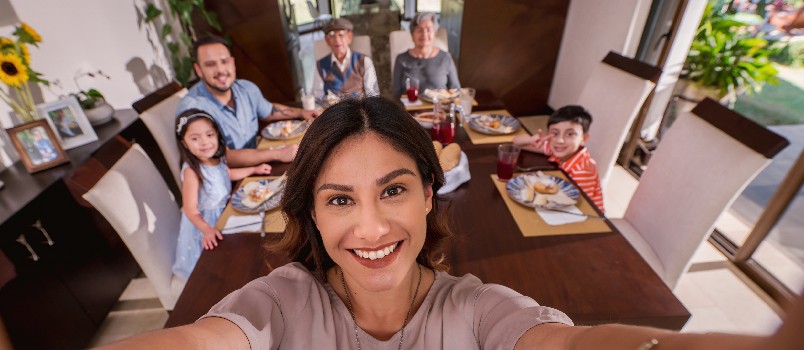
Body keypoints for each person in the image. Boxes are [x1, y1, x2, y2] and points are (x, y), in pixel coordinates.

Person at [99, 97, 804, 349]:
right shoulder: (272, 305)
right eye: (339, 198)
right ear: (310, 212)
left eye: (395, 190)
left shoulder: (477, 310)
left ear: (432, 194)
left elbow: (566, 344)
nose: (371, 227)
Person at [177, 35, 317, 166]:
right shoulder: (193, 108)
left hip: (260, 163)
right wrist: (278, 153)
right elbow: (221, 156)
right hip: (229, 181)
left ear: (232, 63)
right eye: (210, 64)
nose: (220, 70)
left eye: (224, 61)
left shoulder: (246, 88)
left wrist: (302, 112)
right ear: (198, 70)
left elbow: (268, 111)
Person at [172, 109, 271, 280]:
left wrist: (254, 169)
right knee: (224, 264)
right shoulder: (191, 172)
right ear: (184, 143)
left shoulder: (217, 158)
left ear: (217, 135)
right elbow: (190, 209)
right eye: (195, 138)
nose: (205, 142)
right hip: (208, 224)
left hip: (226, 214)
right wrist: (207, 230)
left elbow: (226, 174)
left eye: (209, 135)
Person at [513, 105, 604, 212]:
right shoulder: (558, 149)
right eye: (555, 133)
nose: (560, 140)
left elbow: (582, 207)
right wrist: (533, 139)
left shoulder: (582, 170)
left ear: (584, 138)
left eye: (570, 134)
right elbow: (517, 142)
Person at [391, 12, 460, 97]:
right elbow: (396, 93)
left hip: (439, 108)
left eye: (428, 29)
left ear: (434, 34)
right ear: (412, 35)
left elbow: (456, 90)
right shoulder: (401, 59)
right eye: (419, 30)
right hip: (410, 108)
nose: (424, 34)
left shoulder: (445, 57)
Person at [312, 18, 379, 99]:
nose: (337, 40)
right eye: (332, 35)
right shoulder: (320, 65)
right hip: (332, 110)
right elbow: (317, 97)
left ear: (349, 37)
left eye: (341, 34)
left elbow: (373, 95)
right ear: (327, 40)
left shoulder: (364, 61)